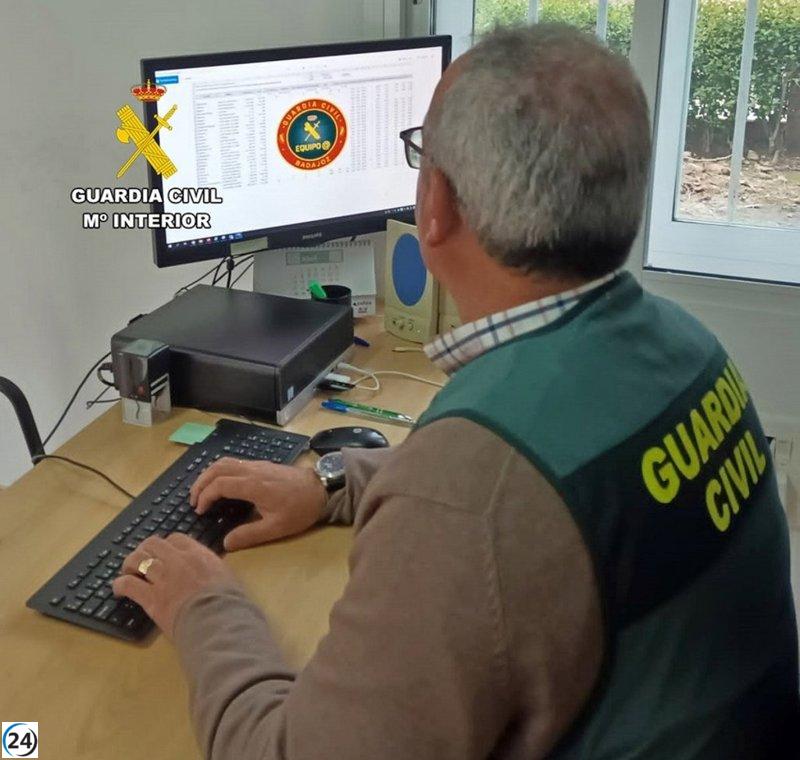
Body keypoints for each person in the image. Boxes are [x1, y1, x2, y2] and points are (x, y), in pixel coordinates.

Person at [113, 24, 799, 759]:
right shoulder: (685, 347)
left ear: (434, 205)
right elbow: (554, 497)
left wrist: (204, 605)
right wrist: (334, 483)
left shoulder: (471, 490)